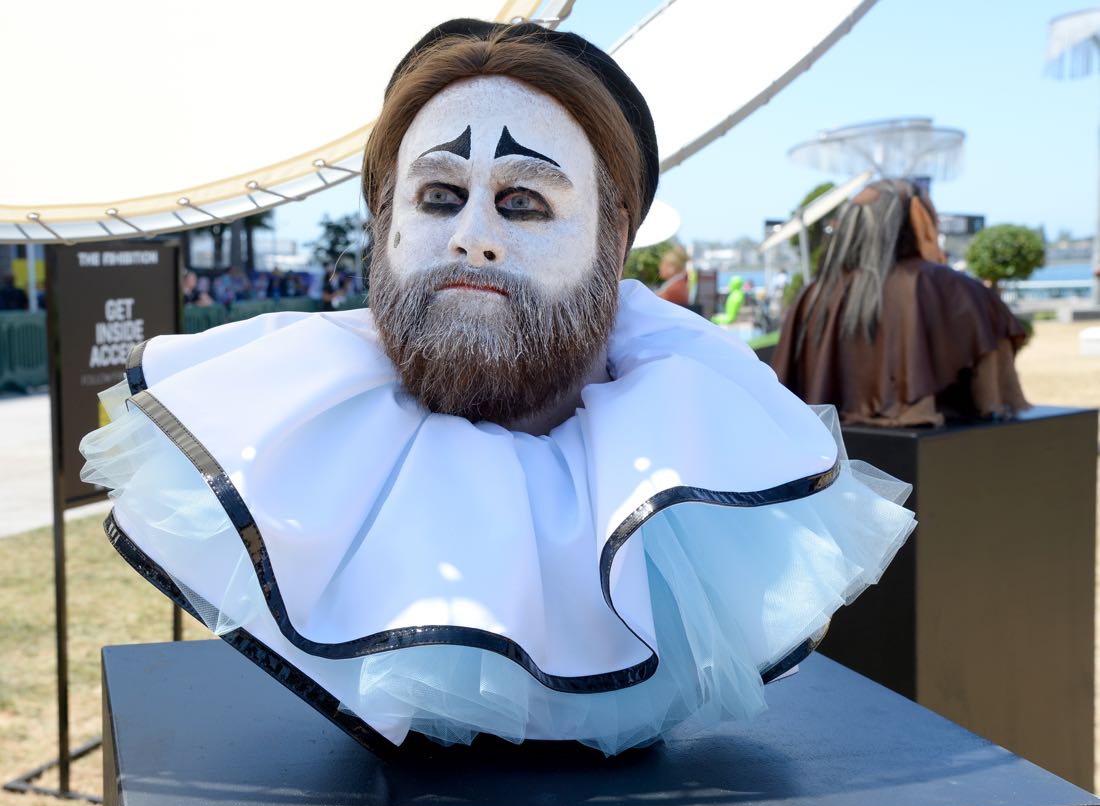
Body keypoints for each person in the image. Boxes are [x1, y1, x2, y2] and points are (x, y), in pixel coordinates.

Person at [80, 19, 914, 757]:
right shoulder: (294, 416)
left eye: (524, 202)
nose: (473, 237)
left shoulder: (689, 430)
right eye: (439, 196)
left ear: (614, 239)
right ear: (385, 221)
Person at [772, 179, 1029, 426]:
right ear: (920, 222)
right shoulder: (953, 289)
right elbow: (994, 396)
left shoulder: (813, 295)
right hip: (940, 457)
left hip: (830, 457)